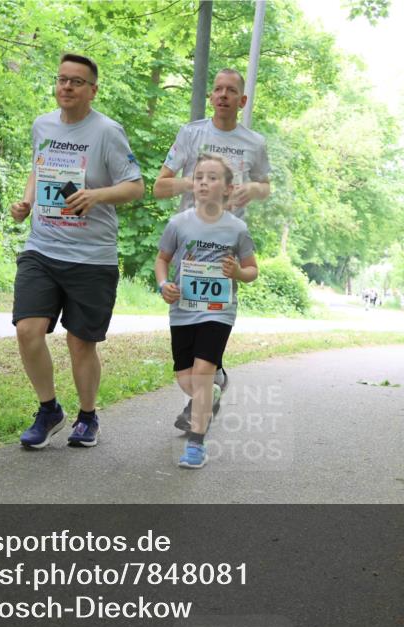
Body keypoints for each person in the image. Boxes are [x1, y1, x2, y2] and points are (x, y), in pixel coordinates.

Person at [10, 53, 144, 450]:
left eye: (77, 82)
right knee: (27, 330)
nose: (66, 87)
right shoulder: (43, 125)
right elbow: (39, 167)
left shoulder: (107, 131)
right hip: (42, 248)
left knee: (80, 342)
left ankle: (88, 416)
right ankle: (48, 409)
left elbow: (135, 186)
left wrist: (97, 195)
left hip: (91, 256)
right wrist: (26, 202)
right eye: (62, 79)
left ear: (93, 90)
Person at [154, 68, 270, 429]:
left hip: (224, 247)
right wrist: (201, 180)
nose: (222, 95)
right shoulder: (191, 133)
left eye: (230, 90)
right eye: (217, 89)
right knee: (187, 335)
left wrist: (253, 189)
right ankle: (211, 384)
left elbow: (266, 187)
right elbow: (159, 186)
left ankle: (203, 396)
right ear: (211, 97)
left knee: (215, 318)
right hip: (189, 247)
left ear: (242, 100)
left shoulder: (254, 142)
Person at [155, 154, 258, 469]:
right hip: (183, 309)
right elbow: (162, 260)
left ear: (227, 189)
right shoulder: (178, 223)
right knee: (186, 378)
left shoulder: (237, 229)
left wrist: (237, 273)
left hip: (219, 311)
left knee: (200, 376)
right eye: (199, 176)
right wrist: (163, 286)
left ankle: (196, 445)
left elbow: (252, 270)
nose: (203, 182)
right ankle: (212, 388)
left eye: (212, 178)